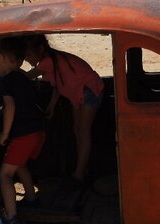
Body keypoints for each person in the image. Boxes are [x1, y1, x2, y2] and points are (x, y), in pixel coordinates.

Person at [24, 35, 104, 183]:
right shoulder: (52, 59)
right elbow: (58, 86)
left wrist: (10, 69)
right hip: (78, 93)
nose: (26, 59)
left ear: (41, 49)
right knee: (77, 130)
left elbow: (26, 77)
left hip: (89, 89)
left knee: (83, 131)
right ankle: (82, 167)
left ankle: (79, 173)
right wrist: (52, 107)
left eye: (28, 55)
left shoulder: (47, 61)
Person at [0, 37, 46, 224]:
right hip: (38, 131)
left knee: (5, 174)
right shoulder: (22, 77)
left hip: (23, 135)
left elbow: (10, 106)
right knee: (20, 164)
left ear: (1, 57)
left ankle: (11, 218)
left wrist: (4, 133)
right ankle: (31, 199)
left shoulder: (5, 82)